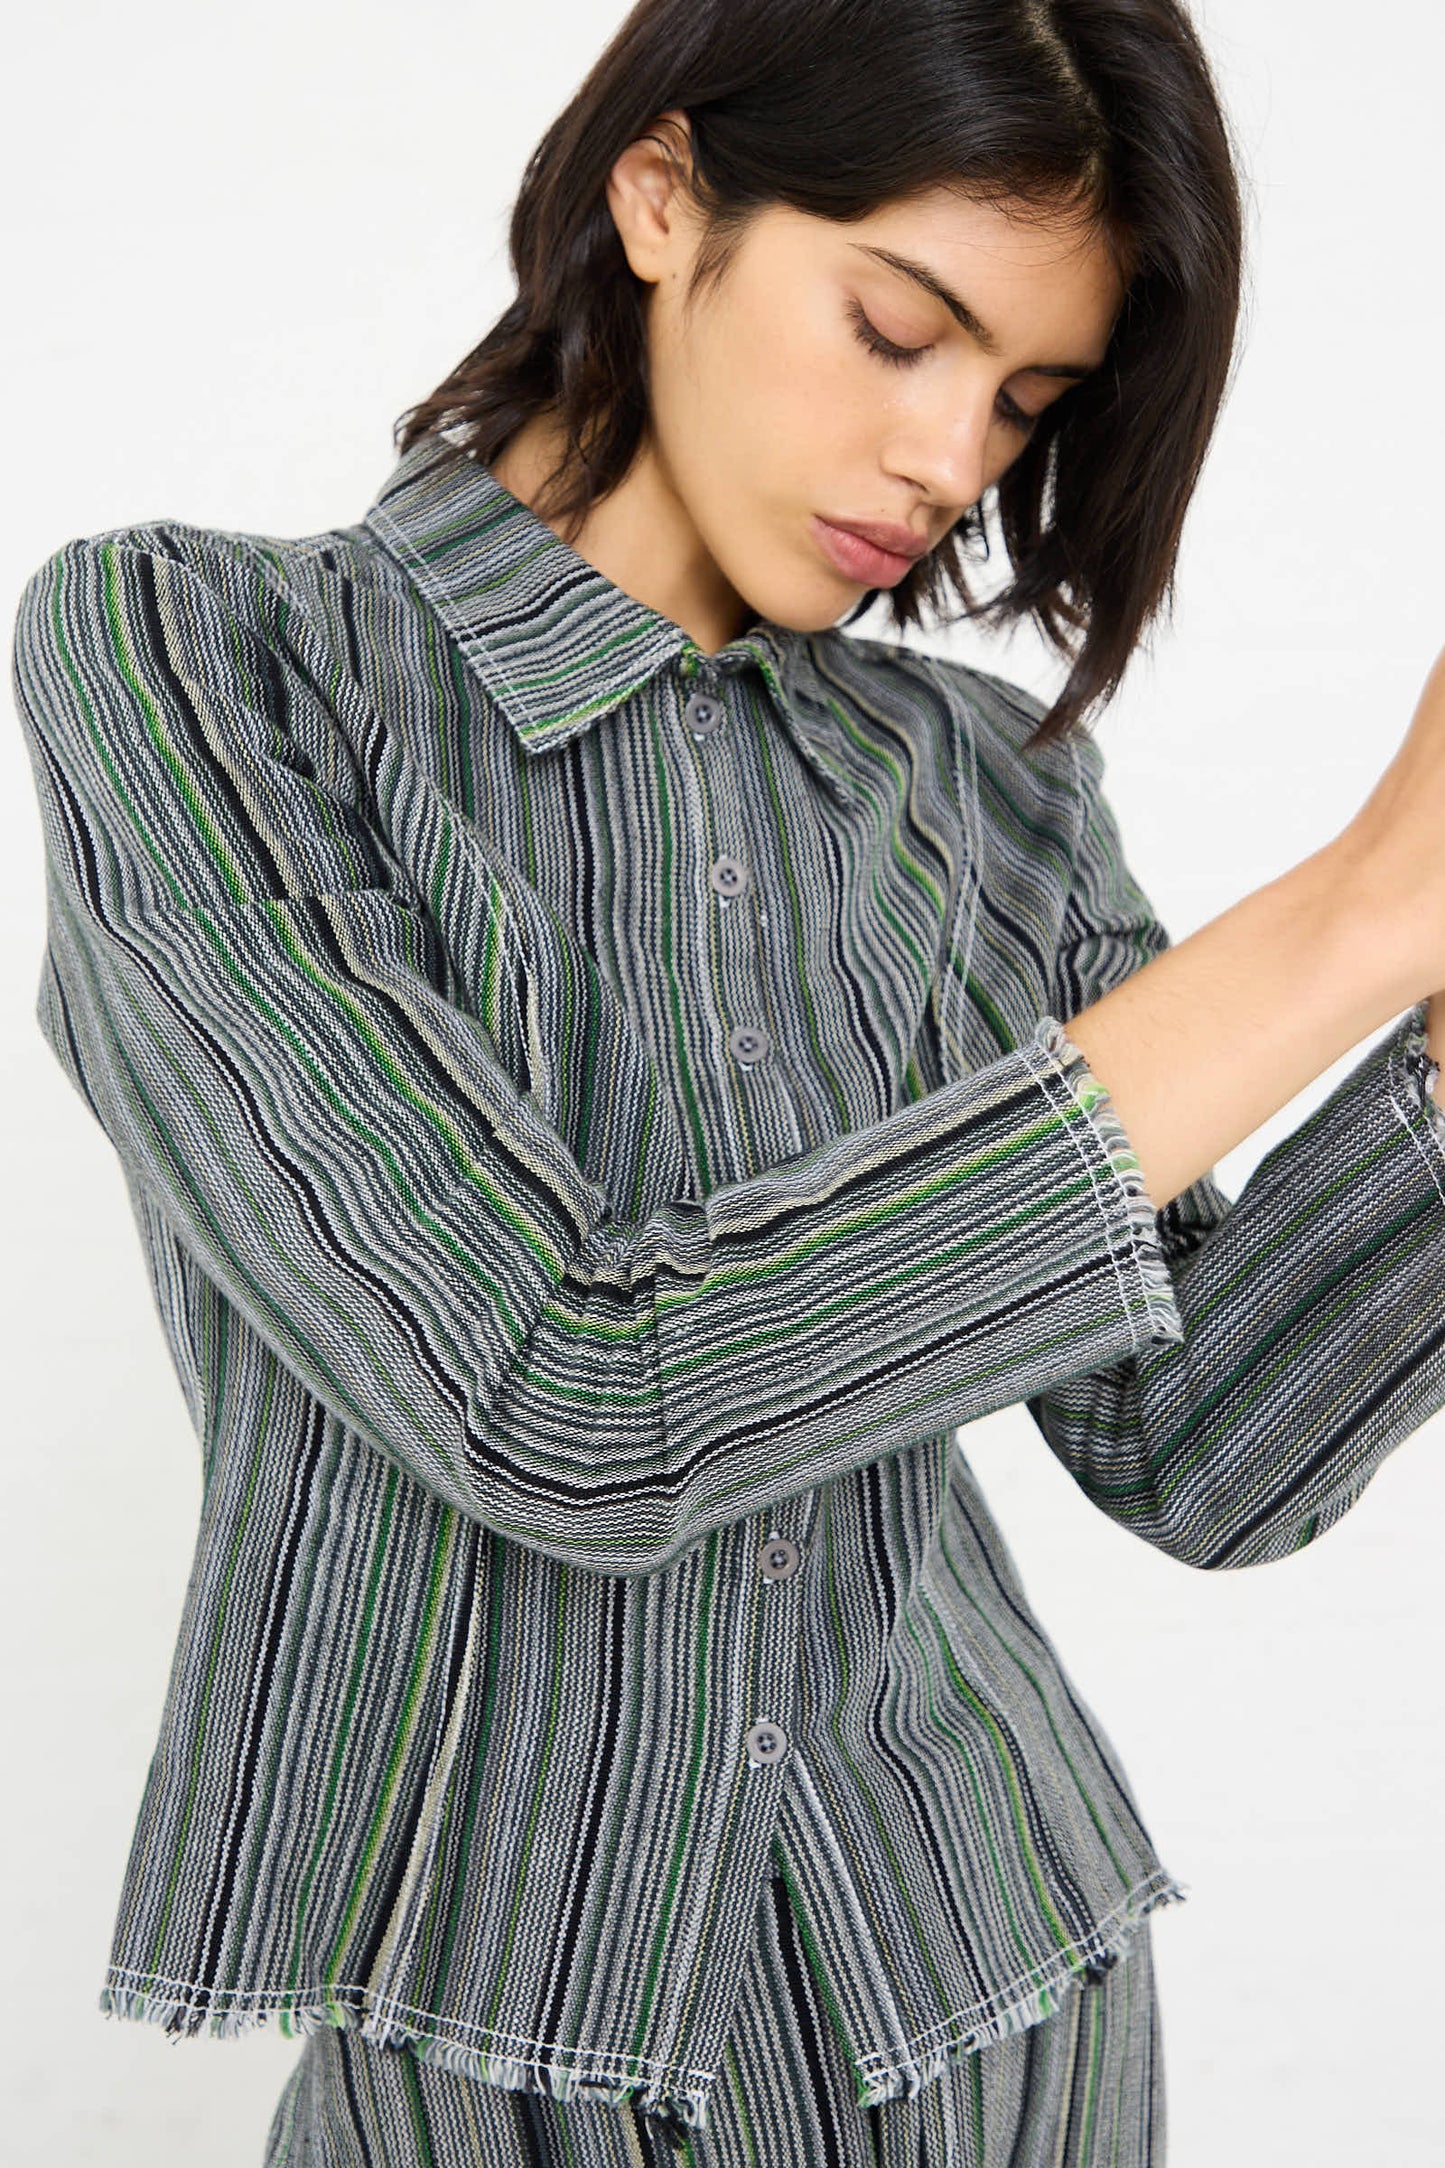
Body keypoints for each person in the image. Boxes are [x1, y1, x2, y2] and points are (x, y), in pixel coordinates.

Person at [11, 0, 1445, 2162]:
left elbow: (1198, 1447)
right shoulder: (201, 666)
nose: (954, 462)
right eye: (898, 328)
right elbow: (556, 1383)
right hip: (509, 2068)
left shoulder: (980, 798)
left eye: (1025, 399)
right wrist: (1353, 914)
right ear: (665, 196)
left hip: (1005, 2011)